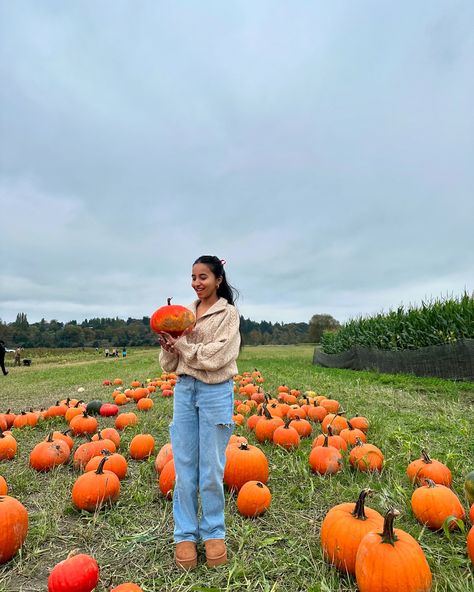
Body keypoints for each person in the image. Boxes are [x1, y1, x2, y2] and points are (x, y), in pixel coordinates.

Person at [158, 256, 240, 570]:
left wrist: (183, 349)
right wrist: (169, 349)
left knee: (211, 467)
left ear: (218, 279)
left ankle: (214, 532)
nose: (196, 282)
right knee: (184, 465)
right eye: (193, 277)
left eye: (203, 276)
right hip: (184, 390)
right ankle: (185, 535)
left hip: (215, 391)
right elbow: (170, 365)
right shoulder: (182, 314)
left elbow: (218, 356)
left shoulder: (227, 314)